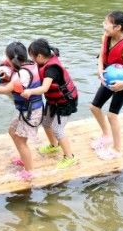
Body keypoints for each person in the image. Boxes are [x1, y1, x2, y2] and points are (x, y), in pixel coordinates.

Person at [0, 42, 44, 181]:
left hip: (31, 112)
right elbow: (15, 82)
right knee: (12, 131)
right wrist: (6, 76)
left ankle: (29, 171)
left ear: (9, 58)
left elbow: (7, 89)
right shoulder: (29, 65)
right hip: (27, 110)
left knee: (21, 141)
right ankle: (24, 159)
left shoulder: (20, 74)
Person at [90, 11, 123, 160]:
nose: (104, 25)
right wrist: (100, 71)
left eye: (107, 23)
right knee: (94, 107)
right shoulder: (106, 38)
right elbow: (101, 57)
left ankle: (117, 150)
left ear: (118, 27)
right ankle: (106, 135)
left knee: (112, 115)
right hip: (108, 79)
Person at [21, 39, 79, 169]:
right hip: (53, 101)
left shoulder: (51, 69)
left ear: (40, 56)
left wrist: (30, 91)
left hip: (65, 103)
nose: (32, 59)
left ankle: (70, 157)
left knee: (57, 129)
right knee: (46, 123)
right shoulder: (44, 62)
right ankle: (54, 145)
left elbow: (44, 88)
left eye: (32, 56)